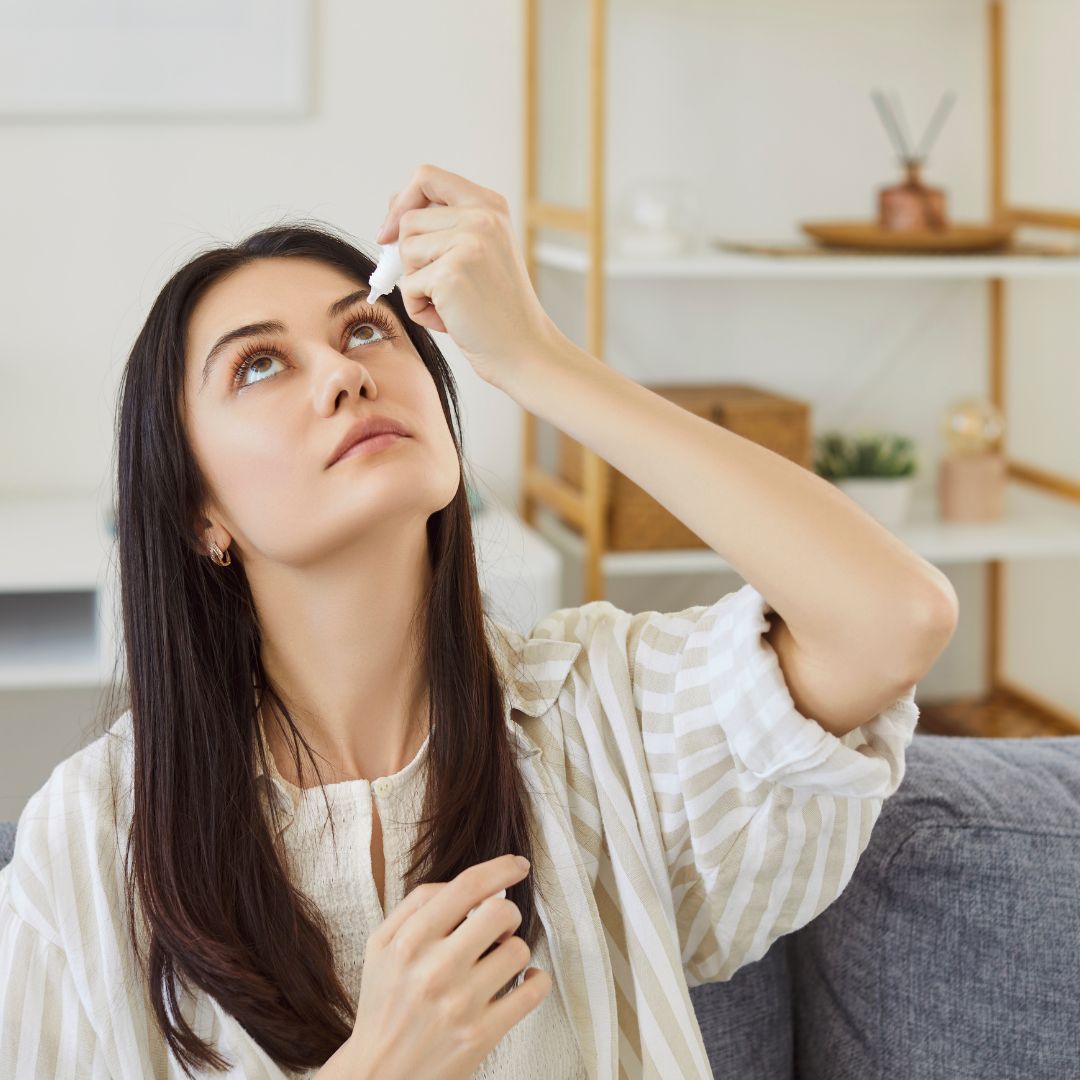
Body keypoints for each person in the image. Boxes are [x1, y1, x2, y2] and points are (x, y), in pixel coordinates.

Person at [0, 164, 955, 1078]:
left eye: (365, 330)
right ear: (198, 513)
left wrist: (535, 354)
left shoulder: (599, 715)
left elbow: (893, 617)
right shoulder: (93, 838)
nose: (342, 374)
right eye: (259, 365)